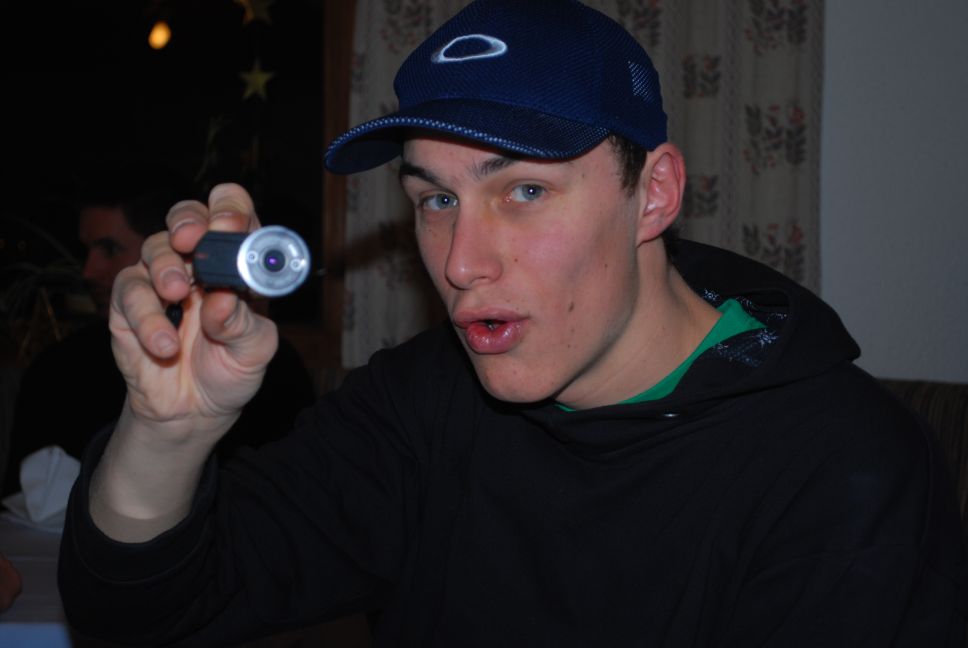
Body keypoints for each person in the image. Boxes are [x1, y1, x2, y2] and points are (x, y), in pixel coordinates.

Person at [58, 1, 966, 646]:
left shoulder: (845, 467)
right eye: (436, 199)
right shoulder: (420, 405)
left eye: (524, 191)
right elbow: (135, 615)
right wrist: (167, 435)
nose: (461, 262)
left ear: (653, 194)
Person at [1, 163, 315, 496]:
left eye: (109, 249)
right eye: (87, 250)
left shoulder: (271, 367)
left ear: (174, 250)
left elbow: (289, 499)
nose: (88, 271)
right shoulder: (56, 369)